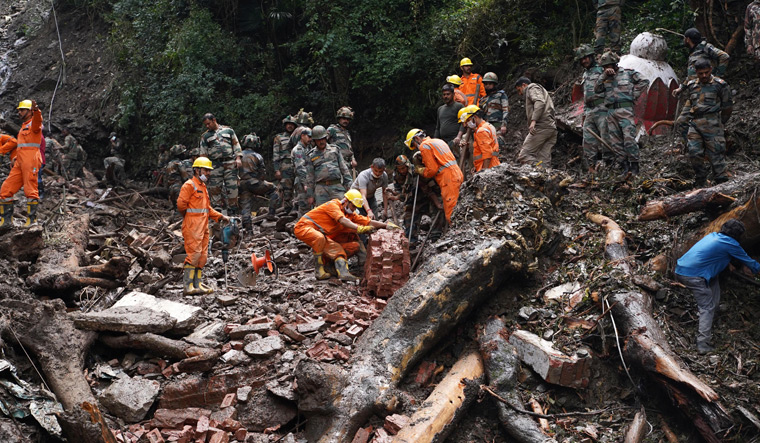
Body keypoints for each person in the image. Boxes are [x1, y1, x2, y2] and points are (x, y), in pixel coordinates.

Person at [675, 219, 759, 354]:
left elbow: (710, 255)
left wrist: (727, 263)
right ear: (738, 235)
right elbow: (751, 264)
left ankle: (715, 307)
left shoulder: (713, 236)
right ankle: (703, 344)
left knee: (714, 279)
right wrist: (755, 269)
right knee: (706, 307)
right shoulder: (731, 244)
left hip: (682, 269)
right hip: (693, 276)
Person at [294, 189, 398, 281]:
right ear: (346, 201)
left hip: (319, 235)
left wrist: (386, 226)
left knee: (338, 250)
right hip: (303, 227)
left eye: (355, 207)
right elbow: (342, 220)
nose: (353, 209)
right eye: (353, 206)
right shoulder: (333, 205)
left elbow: (368, 221)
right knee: (319, 237)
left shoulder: (350, 214)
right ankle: (319, 270)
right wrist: (359, 228)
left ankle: (343, 274)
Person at [177, 156, 230, 295]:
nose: (208, 173)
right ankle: (188, 286)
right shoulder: (189, 185)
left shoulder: (203, 187)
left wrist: (220, 216)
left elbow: (207, 208)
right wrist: (189, 218)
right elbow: (180, 205)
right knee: (194, 255)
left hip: (204, 225)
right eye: (205, 170)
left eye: (208, 171)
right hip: (193, 225)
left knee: (202, 257)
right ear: (196, 170)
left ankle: (197, 284)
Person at [677, 59, 732, 187]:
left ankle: (722, 183)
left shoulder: (720, 85)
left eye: (706, 72)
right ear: (696, 72)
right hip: (695, 123)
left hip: (713, 123)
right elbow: (690, 103)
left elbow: (727, 107)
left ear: (711, 70)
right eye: (701, 73)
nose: (704, 76)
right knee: (694, 152)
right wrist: (683, 119)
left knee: (716, 154)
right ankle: (701, 181)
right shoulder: (692, 85)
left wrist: (720, 122)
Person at [594, 52, 648, 175]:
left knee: (629, 138)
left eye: (609, 65)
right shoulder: (604, 78)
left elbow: (644, 81)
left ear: (615, 64)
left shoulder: (628, 73)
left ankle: (634, 165)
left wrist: (633, 95)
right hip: (611, 111)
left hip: (625, 110)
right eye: (604, 66)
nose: (607, 68)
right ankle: (624, 166)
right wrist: (603, 76)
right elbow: (596, 90)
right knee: (615, 141)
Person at [404, 129, 463, 223]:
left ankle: (457, 232)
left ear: (416, 138)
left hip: (448, 178)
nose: (416, 147)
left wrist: (420, 170)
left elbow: (432, 170)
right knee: (459, 206)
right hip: (456, 173)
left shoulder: (424, 146)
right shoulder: (438, 141)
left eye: (414, 145)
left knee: (451, 211)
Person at [0, 100, 43, 228]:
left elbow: (38, 121)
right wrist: (16, 158)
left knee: (31, 190)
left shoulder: (34, 125)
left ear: (30, 111)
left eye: (22, 110)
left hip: (31, 160)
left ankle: (32, 221)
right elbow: (22, 145)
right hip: (20, 161)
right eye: (19, 110)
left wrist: (37, 111)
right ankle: (6, 221)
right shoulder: (24, 126)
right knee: (5, 190)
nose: (19, 112)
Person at [199, 113, 242, 214]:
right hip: (215, 165)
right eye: (205, 124)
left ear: (214, 120)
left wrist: (238, 158)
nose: (207, 126)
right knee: (214, 188)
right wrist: (204, 169)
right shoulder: (205, 136)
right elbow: (203, 154)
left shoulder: (228, 131)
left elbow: (236, 145)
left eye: (209, 123)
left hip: (230, 163)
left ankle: (233, 212)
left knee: (232, 187)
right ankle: (217, 212)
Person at [576, 44, 608, 173]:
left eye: (586, 58)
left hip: (602, 109)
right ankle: (591, 169)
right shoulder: (585, 73)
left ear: (591, 56)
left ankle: (608, 167)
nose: (584, 61)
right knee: (588, 141)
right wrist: (584, 115)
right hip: (589, 111)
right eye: (582, 59)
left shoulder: (602, 69)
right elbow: (585, 95)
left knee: (606, 139)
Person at [239, 133, 280, 230]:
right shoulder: (257, 156)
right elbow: (262, 174)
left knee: (246, 205)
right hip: (254, 183)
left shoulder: (238, 156)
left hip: (241, 184)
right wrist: (258, 186)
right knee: (274, 189)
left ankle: (249, 231)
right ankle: (271, 214)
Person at [672, 28, 730, 96]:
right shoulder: (694, 52)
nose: (683, 40)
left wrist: (718, 76)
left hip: (708, 90)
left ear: (688, 39)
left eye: (684, 38)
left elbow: (725, 56)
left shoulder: (705, 48)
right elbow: (692, 73)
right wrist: (681, 88)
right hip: (696, 91)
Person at [514, 77, 557, 167]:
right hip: (550, 127)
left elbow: (540, 102)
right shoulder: (541, 90)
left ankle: (540, 170)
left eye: (519, 90)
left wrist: (533, 121)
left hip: (541, 126)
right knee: (543, 159)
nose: (520, 94)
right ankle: (546, 176)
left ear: (523, 85)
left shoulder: (531, 87)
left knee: (524, 155)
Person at [306, 125, 353, 206]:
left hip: (336, 186)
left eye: (323, 139)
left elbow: (344, 169)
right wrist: (310, 195)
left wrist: (349, 185)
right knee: (323, 213)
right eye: (318, 140)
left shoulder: (335, 150)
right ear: (314, 141)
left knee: (341, 209)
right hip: (321, 189)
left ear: (326, 138)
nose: (321, 142)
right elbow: (310, 177)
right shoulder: (311, 155)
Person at [458, 105, 501, 172]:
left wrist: (484, 173)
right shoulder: (488, 126)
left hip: (489, 167)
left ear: (475, 117)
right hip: (492, 165)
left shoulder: (481, 131)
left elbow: (487, 154)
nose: (465, 125)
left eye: (467, 121)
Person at [478, 72, 509, 150]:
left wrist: (504, 124)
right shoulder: (483, 99)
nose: (487, 86)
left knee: (499, 143)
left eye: (490, 83)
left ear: (494, 84)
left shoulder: (500, 95)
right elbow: (479, 116)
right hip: (486, 126)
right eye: (486, 84)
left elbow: (505, 109)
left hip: (497, 125)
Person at [273, 115, 297, 214]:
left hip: (297, 165)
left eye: (292, 124)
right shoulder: (279, 137)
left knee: (298, 188)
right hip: (285, 166)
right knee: (286, 190)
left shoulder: (298, 136)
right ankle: (287, 210)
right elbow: (275, 154)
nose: (290, 126)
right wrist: (276, 170)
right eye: (288, 124)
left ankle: (296, 209)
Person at [435, 84, 465, 150]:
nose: (446, 96)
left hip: (455, 140)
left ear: (453, 94)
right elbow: (438, 127)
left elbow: (463, 123)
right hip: (443, 142)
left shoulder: (459, 106)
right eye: (444, 94)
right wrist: (435, 141)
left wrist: (459, 136)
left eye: (448, 94)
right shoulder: (440, 109)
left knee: (458, 159)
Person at [292, 127, 313, 217]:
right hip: (302, 181)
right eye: (308, 137)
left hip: (309, 180)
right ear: (302, 136)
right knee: (304, 207)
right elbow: (300, 168)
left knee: (310, 206)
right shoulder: (298, 150)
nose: (310, 139)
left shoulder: (308, 148)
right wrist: (305, 183)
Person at [327, 106, 358, 171]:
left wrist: (353, 159)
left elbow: (350, 148)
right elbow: (322, 142)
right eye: (344, 118)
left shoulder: (347, 133)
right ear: (339, 118)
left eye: (348, 119)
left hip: (348, 164)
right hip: (337, 163)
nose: (346, 121)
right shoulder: (332, 129)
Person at [165, 144, 194, 210]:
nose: (184, 153)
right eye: (183, 152)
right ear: (179, 154)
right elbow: (185, 177)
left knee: (176, 208)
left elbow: (166, 178)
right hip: (179, 188)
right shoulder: (179, 163)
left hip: (170, 188)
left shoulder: (169, 164)